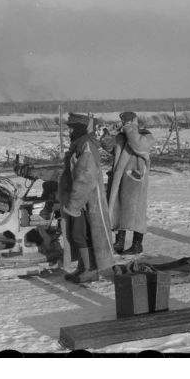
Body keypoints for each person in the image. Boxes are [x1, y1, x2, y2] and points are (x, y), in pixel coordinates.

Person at [59, 113, 114, 283]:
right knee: (80, 234)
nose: (69, 132)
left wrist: (74, 204)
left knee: (80, 234)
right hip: (80, 199)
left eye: (72, 128)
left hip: (85, 201)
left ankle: (90, 269)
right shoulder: (81, 144)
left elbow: (85, 177)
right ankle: (84, 267)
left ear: (80, 129)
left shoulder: (85, 146)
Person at [100, 111, 155, 255]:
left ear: (135, 120)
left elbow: (139, 146)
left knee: (136, 212)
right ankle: (119, 242)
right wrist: (108, 135)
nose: (126, 123)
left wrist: (129, 129)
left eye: (128, 121)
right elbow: (110, 148)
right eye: (125, 121)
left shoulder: (145, 135)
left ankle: (137, 244)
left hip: (135, 179)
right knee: (119, 209)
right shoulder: (122, 136)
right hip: (119, 179)